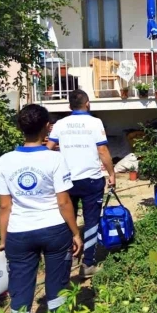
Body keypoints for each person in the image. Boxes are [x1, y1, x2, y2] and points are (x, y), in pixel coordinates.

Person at [0, 104, 81, 313]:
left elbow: (5, 206)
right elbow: (63, 202)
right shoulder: (55, 159)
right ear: (47, 127)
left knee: (20, 288)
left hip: (19, 232)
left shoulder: (5, 161)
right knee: (58, 284)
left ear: (20, 128)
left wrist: (4, 239)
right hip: (54, 231)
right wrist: (75, 232)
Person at [47, 89, 116, 278]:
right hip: (91, 180)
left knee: (67, 220)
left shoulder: (60, 124)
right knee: (91, 221)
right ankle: (88, 264)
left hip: (65, 181)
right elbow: (102, 150)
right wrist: (111, 173)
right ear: (87, 104)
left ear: (69, 106)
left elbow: (49, 149)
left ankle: (67, 260)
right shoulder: (95, 123)